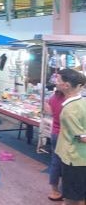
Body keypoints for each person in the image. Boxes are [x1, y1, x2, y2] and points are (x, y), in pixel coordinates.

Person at [54, 69, 86, 205]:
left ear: (66, 85)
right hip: (79, 158)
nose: (55, 82)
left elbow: (83, 137)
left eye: (58, 80)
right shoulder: (82, 102)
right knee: (80, 195)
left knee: (72, 198)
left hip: (75, 158)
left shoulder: (69, 109)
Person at [44, 89, 66, 201]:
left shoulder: (53, 97)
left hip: (55, 132)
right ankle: (67, 193)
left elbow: (47, 106)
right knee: (68, 164)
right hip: (66, 135)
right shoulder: (68, 100)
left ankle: (54, 191)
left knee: (55, 162)